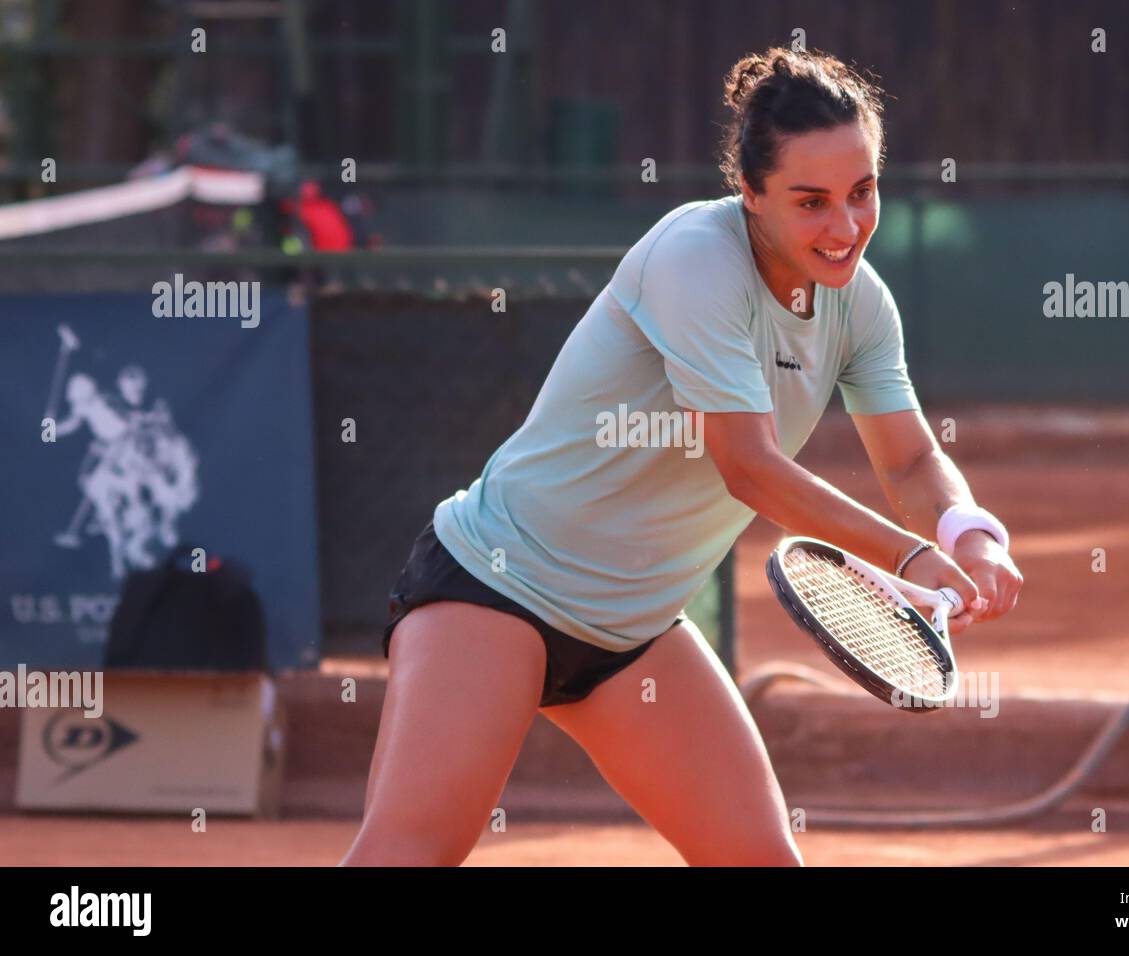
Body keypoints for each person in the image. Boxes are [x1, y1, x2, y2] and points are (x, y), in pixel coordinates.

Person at [342, 47, 1023, 867]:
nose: (844, 228)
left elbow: (912, 462)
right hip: (495, 590)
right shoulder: (697, 258)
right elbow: (750, 467)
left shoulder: (860, 305)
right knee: (405, 857)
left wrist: (968, 533)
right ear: (749, 192)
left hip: (633, 634)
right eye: (811, 202)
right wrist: (911, 556)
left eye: (862, 192)